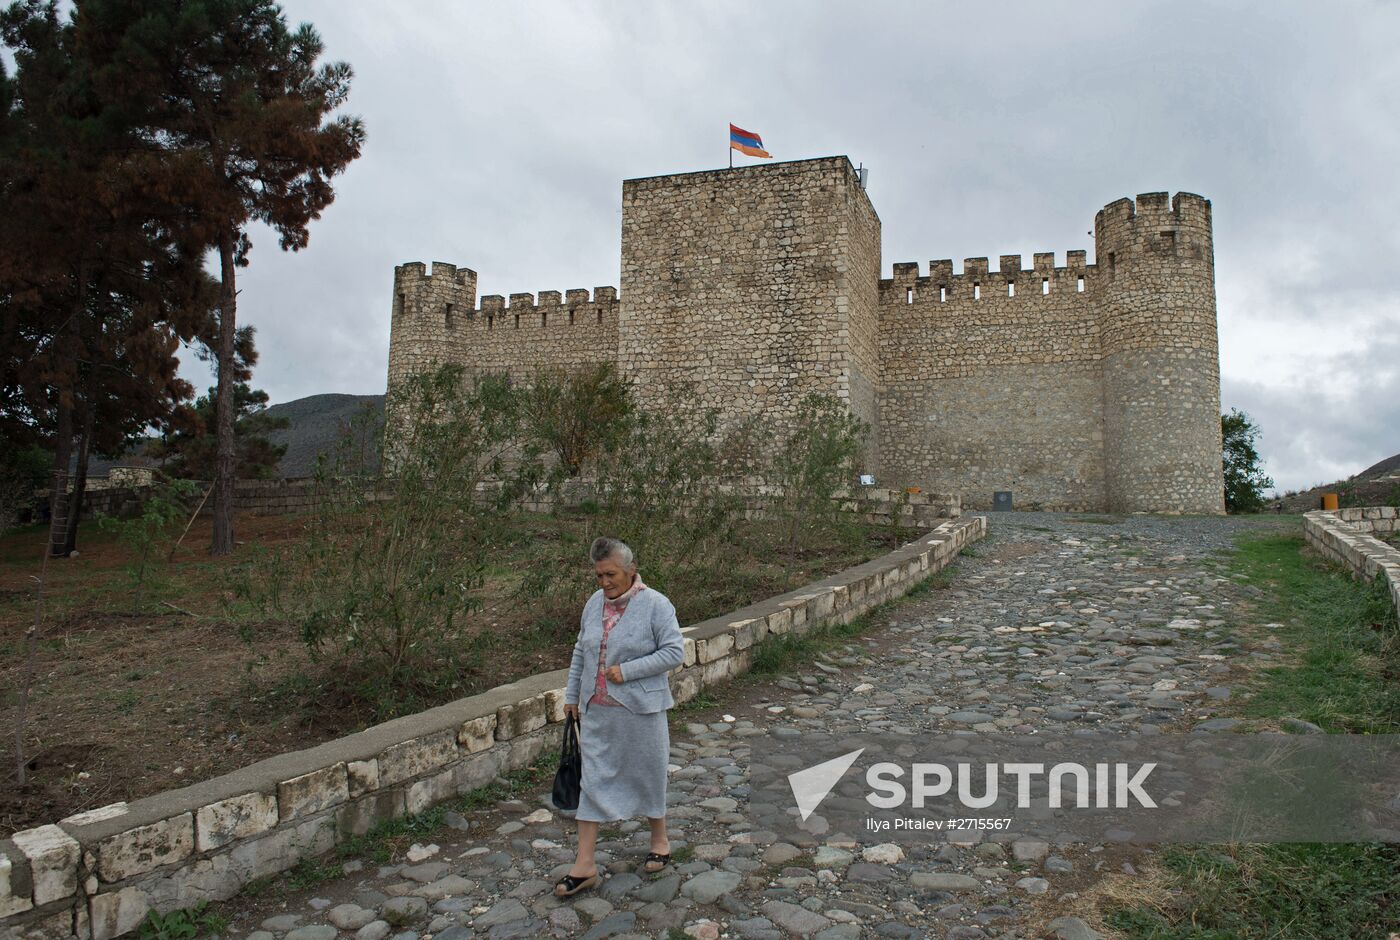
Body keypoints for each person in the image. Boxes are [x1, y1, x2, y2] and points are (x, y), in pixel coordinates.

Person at [555, 536, 685, 898]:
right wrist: (571, 696)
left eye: (610, 574)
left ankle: (659, 839)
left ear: (630, 570)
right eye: (598, 576)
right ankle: (585, 866)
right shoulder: (594, 603)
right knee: (592, 781)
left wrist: (627, 671)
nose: (604, 582)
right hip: (597, 710)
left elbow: (674, 652)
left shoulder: (657, 605)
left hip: (641, 710)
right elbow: (581, 650)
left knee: (649, 772)